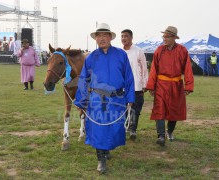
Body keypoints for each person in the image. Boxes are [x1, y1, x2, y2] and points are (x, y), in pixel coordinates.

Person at [74, 23, 135, 174]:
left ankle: (106, 149)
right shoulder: (91, 58)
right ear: (96, 38)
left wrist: (130, 97)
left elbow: (129, 77)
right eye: (98, 36)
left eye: (104, 35)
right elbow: (83, 79)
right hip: (97, 100)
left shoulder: (121, 55)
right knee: (98, 129)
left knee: (113, 128)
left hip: (116, 99)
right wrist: (81, 100)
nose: (101, 39)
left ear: (110, 37)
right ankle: (101, 159)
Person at [146, 26, 194, 146]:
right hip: (161, 84)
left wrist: (188, 86)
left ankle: (170, 131)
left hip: (176, 85)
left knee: (174, 109)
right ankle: (161, 136)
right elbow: (153, 69)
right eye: (164, 36)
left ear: (173, 38)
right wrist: (151, 86)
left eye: (167, 37)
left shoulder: (182, 50)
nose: (164, 39)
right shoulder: (159, 50)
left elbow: (188, 68)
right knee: (159, 109)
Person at [121, 29, 148, 140]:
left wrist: (144, 84)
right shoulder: (119, 52)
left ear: (131, 38)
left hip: (136, 85)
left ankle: (133, 130)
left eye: (126, 36)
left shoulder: (138, 51)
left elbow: (144, 68)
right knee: (123, 109)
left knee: (135, 109)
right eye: (122, 36)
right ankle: (125, 128)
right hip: (122, 87)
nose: (123, 38)